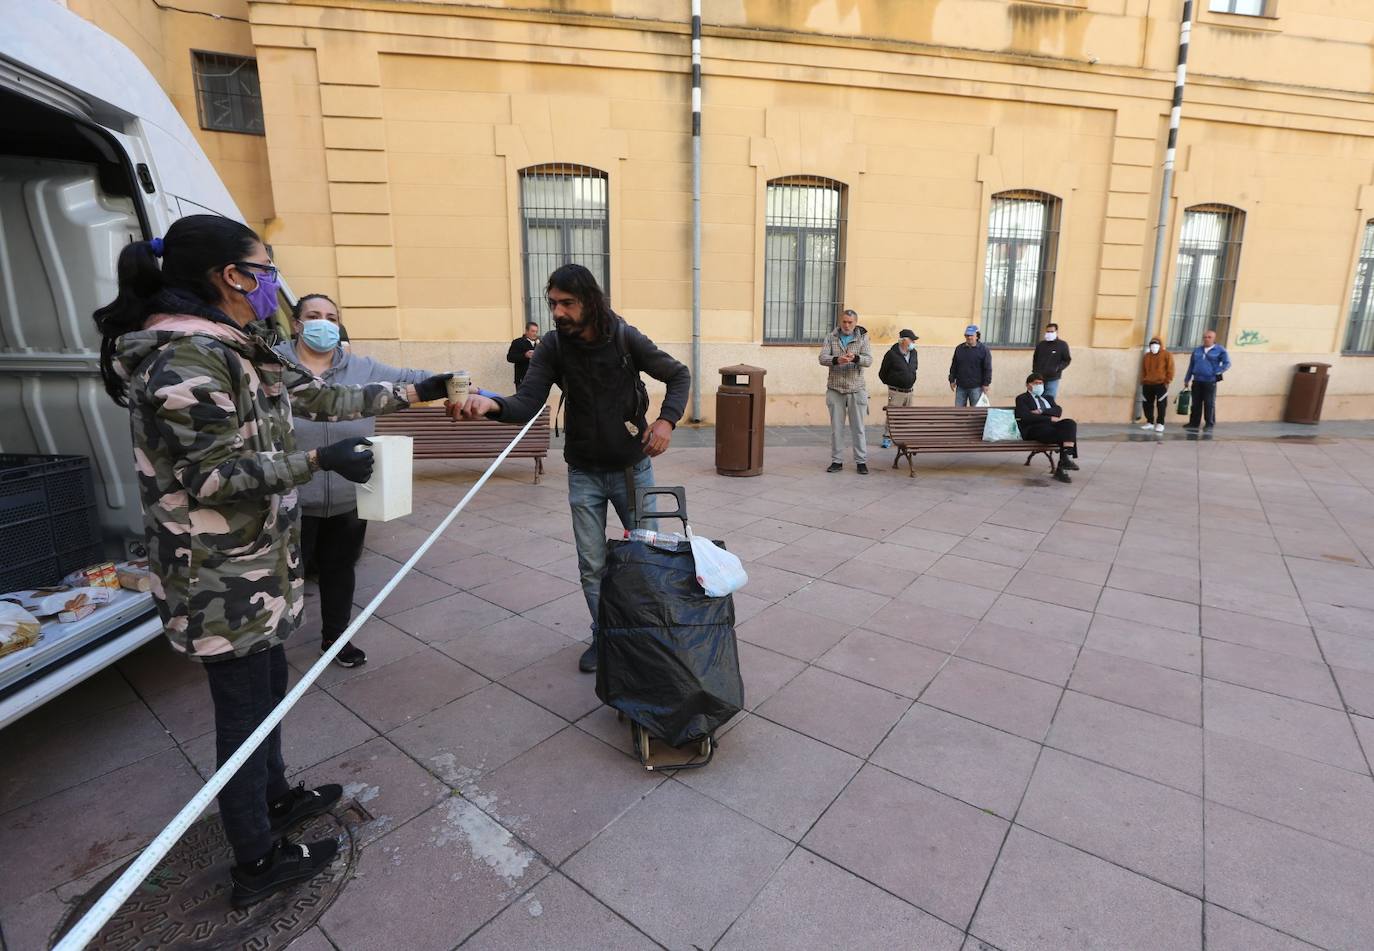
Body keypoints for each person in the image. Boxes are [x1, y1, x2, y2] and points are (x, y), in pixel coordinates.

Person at [91, 215, 452, 908]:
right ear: (232, 276)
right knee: (241, 714)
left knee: (269, 688)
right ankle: (257, 856)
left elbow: (321, 394)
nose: (273, 285)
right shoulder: (182, 360)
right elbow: (210, 476)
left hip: (258, 566)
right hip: (218, 577)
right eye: (266, 269)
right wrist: (319, 459)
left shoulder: (240, 347)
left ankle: (277, 794)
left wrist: (428, 389)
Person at [454, 264, 690, 674]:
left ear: (589, 301)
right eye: (553, 304)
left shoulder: (623, 336)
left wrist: (667, 420)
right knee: (592, 564)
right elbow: (527, 402)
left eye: (567, 303)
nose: (558, 313)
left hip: (634, 470)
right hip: (584, 474)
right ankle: (606, 635)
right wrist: (491, 404)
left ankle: (649, 635)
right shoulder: (552, 347)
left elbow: (678, 374)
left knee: (648, 556)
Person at [275, 293, 437, 668]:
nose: (323, 323)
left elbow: (413, 379)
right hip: (290, 495)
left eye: (331, 317)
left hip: (347, 496)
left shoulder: (361, 367)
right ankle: (270, 648)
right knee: (281, 578)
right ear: (297, 324)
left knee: (339, 570)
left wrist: (459, 386)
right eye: (314, 316)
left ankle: (335, 639)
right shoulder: (274, 365)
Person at [819, 308, 873, 474]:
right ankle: (837, 461)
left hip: (856, 388)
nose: (847, 325)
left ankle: (861, 462)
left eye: (850, 322)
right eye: (844, 322)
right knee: (837, 428)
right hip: (835, 388)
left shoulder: (862, 337)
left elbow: (869, 360)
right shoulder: (831, 337)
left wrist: (855, 358)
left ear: (855, 323)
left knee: (858, 428)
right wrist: (837, 360)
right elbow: (822, 358)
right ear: (840, 322)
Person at [1014, 373, 1079, 484]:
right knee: (1064, 434)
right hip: (1034, 429)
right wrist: (1048, 419)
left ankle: (1065, 460)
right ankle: (1064, 464)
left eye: (1041, 383)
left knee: (1070, 423)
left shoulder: (1048, 398)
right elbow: (1025, 417)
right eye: (1036, 383)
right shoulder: (1022, 398)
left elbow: (1058, 411)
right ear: (1028, 385)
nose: (1039, 386)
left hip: (1050, 426)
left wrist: (1041, 411)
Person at [878, 328, 918, 450]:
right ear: (904, 341)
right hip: (896, 391)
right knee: (893, 415)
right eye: (911, 340)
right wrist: (892, 383)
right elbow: (882, 373)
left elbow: (914, 367)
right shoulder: (891, 354)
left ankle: (903, 438)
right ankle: (887, 438)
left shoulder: (914, 353)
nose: (913, 343)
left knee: (906, 416)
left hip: (909, 391)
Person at [1183, 329, 1231, 430]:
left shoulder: (1220, 350)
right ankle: (1194, 423)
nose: (1207, 339)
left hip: (1210, 381)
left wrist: (1217, 371)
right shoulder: (1197, 350)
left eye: (1209, 337)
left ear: (1214, 338)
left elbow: (1227, 363)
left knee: (1209, 403)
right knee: (1196, 403)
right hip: (1197, 380)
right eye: (1205, 337)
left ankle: (1209, 423)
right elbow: (1191, 365)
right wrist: (1187, 379)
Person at [949, 324, 992, 406]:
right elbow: (954, 366)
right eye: (967, 335)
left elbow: (987, 368)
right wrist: (951, 380)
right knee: (959, 412)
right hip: (961, 386)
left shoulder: (984, 350)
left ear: (977, 336)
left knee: (975, 412)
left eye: (971, 335)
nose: (969, 337)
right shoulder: (959, 349)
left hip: (976, 387)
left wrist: (986, 384)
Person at [1139, 336, 1175, 433]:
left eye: (1156, 345)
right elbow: (1143, 370)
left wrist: (1167, 381)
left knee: (1161, 404)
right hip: (1148, 383)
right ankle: (1149, 422)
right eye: (1152, 345)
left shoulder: (1166, 355)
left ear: (1160, 346)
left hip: (1161, 383)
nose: (1154, 347)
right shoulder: (1147, 356)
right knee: (1147, 403)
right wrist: (1143, 380)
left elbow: (1170, 369)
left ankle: (1160, 423)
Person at [1032, 322, 1072, 400]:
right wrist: (1035, 371)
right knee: (1036, 398)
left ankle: (1048, 412)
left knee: (1049, 398)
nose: (1049, 333)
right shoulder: (1041, 345)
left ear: (1056, 332)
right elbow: (1035, 358)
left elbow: (1067, 360)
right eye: (1048, 331)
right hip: (1039, 377)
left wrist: (1057, 368)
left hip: (1053, 378)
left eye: (1051, 332)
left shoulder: (1062, 345)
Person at [507, 320, 540, 386]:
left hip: (537, 379)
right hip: (522, 379)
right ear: (526, 331)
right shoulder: (517, 342)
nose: (535, 334)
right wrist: (525, 355)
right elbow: (510, 358)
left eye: (536, 331)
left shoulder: (540, 343)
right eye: (533, 331)